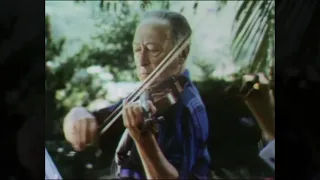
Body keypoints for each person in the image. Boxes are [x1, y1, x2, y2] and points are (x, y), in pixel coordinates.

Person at [63, 10, 211, 179]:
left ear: (182, 53)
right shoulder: (150, 91)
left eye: (153, 50)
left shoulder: (185, 108)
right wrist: (77, 115)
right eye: (137, 50)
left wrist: (143, 140)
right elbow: (97, 119)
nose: (142, 61)